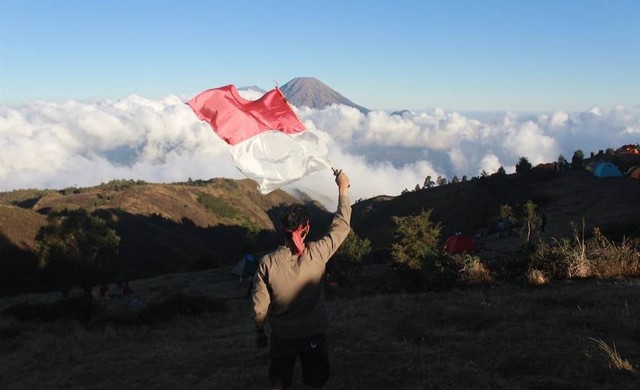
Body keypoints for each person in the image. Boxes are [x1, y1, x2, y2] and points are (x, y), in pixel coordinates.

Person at [252, 169, 351, 390]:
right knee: (316, 382)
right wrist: (342, 187)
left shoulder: (267, 263)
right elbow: (341, 226)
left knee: (279, 380)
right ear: (306, 229)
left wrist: (259, 331)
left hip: (282, 336)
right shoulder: (318, 253)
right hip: (313, 334)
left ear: (283, 230)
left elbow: (260, 307)